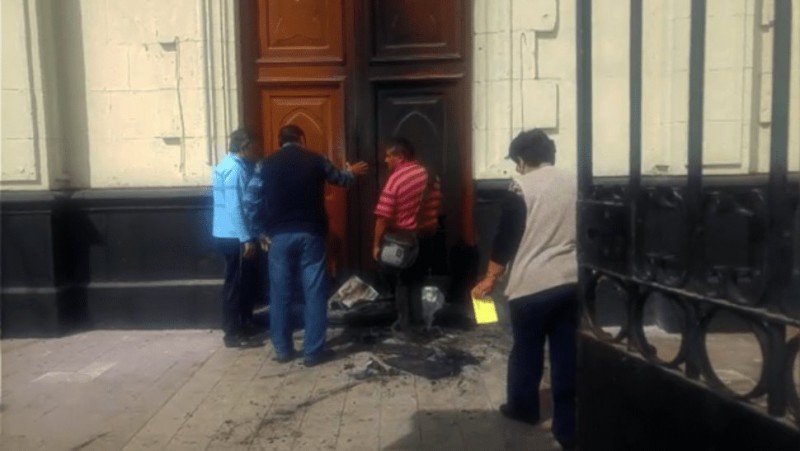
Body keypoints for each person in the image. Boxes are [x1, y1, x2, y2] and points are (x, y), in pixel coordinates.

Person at [471, 129, 578, 450]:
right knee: (566, 355)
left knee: (527, 350)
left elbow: (506, 239)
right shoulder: (574, 182)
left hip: (531, 286)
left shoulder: (520, 187)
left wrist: (490, 278)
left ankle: (523, 408)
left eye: (515, 161)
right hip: (570, 281)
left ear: (521, 159)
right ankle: (567, 427)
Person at [246, 124, 368, 366]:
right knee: (314, 293)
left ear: (280, 141)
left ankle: (283, 350)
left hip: (279, 237)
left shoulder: (264, 165)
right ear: (301, 138)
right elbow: (341, 180)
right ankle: (313, 351)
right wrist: (351, 172)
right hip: (311, 234)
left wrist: (260, 233)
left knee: (280, 294)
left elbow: (250, 202)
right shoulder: (316, 160)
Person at [373, 137, 441, 331]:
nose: (386, 160)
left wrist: (375, 245)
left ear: (400, 156)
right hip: (426, 238)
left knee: (402, 281)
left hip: (402, 240)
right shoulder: (431, 175)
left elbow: (383, 216)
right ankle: (418, 321)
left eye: (389, 156)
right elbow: (435, 206)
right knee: (418, 280)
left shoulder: (397, 179)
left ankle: (405, 323)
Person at [211, 128, 263, 348]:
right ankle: (232, 333)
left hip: (229, 233)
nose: (258, 149)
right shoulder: (234, 169)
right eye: (255, 146)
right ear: (245, 146)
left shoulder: (233, 165)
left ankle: (245, 322)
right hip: (234, 236)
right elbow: (235, 206)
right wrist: (246, 238)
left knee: (244, 281)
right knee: (236, 284)